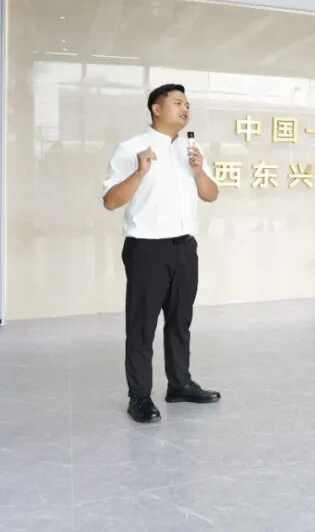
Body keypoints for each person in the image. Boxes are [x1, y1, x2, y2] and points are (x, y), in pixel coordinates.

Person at [102, 84, 221, 424]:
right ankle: (139, 396)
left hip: (185, 247)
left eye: (188, 104)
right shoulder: (131, 148)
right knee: (142, 326)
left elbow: (211, 195)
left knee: (180, 321)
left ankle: (179, 384)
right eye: (178, 103)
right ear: (156, 108)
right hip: (147, 248)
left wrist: (198, 171)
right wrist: (140, 171)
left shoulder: (192, 149)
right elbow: (110, 201)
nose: (185, 109)